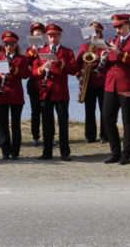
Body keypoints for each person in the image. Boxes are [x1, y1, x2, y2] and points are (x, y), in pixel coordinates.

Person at [102, 14, 130, 165]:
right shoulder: (113, 41)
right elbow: (110, 65)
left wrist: (120, 53)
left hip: (127, 85)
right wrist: (104, 58)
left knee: (128, 120)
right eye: (115, 27)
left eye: (120, 26)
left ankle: (126, 154)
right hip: (110, 84)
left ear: (128, 25)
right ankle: (115, 151)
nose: (118, 30)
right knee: (107, 118)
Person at [32, 24, 78, 161]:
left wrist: (59, 63)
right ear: (47, 37)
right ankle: (47, 152)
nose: (52, 39)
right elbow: (34, 70)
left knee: (63, 122)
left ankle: (65, 153)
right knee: (46, 123)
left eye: (55, 36)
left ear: (60, 36)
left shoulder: (67, 52)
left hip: (61, 92)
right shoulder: (41, 51)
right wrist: (42, 68)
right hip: (45, 91)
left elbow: (73, 69)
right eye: (50, 37)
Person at [0, 31, 31, 160]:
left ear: (16, 44)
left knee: (16, 124)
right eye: (6, 44)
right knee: (2, 124)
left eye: (11, 44)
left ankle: (15, 152)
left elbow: (26, 74)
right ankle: (5, 151)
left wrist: (13, 69)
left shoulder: (22, 58)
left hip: (15, 95)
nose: (9, 46)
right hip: (1, 95)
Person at [75, 21, 107, 144]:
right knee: (89, 109)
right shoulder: (84, 47)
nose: (95, 34)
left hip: (102, 81)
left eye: (97, 32)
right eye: (93, 32)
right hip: (88, 82)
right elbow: (77, 65)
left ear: (101, 33)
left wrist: (101, 58)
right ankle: (90, 135)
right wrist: (80, 77)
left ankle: (105, 135)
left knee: (104, 109)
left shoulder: (105, 46)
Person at [25, 23, 46, 146]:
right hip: (34, 82)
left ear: (44, 35)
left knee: (47, 111)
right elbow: (25, 62)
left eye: (39, 34)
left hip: (46, 82)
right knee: (35, 111)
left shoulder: (49, 47)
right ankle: (35, 136)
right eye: (35, 35)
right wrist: (33, 51)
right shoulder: (30, 50)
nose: (38, 36)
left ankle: (49, 135)